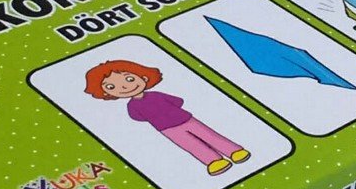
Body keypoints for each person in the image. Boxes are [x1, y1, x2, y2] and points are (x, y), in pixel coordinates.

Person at [84, 59, 250, 176]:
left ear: (143, 77)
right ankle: (213, 161)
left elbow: (177, 101)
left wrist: (168, 113)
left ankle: (234, 151)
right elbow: (137, 117)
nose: (125, 87)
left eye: (129, 79)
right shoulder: (132, 105)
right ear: (107, 93)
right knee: (191, 144)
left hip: (184, 119)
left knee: (208, 135)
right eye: (111, 86)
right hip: (167, 129)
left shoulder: (156, 95)